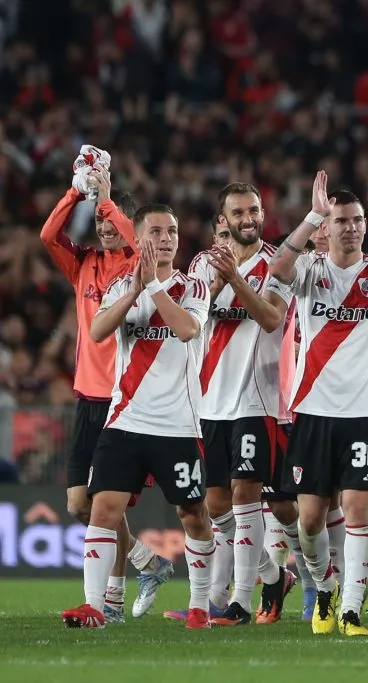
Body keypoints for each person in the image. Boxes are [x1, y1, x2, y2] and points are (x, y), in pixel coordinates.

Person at [266, 171, 368, 636]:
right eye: (341, 220)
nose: (351, 227)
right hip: (312, 412)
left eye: (357, 220)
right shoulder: (310, 270)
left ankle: (351, 611)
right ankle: (325, 587)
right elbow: (277, 269)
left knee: (359, 512)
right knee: (310, 521)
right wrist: (311, 215)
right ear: (328, 226)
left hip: (361, 414)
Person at [62, 205, 214, 629]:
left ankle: (200, 605)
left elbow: (186, 329)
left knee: (193, 515)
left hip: (178, 425)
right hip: (126, 420)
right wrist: (133, 291)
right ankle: (94, 606)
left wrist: (154, 287)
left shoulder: (194, 286)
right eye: (157, 232)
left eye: (172, 231)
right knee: (102, 510)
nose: (166, 239)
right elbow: (97, 332)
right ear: (141, 239)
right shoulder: (119, 287)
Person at [40, 165, 171, 623]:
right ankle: (145, 562)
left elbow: (138, 241)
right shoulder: (83, 264)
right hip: (86, 399)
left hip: (123, 400)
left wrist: (108, 200)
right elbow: (48, 235)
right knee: (81, 505)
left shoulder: (138, 264)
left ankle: (110, 600)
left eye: (110, 220)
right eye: (98, 222)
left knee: (105, 505)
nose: (104, 228)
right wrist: (76, 192)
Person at [182, 183, 296, 625]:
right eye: (239, 212)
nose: (248, 218)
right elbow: (190, 319)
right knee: (215, 505)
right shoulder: (201, 263)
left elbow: (271, 318)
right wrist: (216, 281)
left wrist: (235, 280)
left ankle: (240, 603)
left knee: (246, 492)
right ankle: (274, 575)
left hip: (256, 397)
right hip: (209, 399)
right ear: (223, 220)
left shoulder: (278, 263)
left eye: (254, 210)